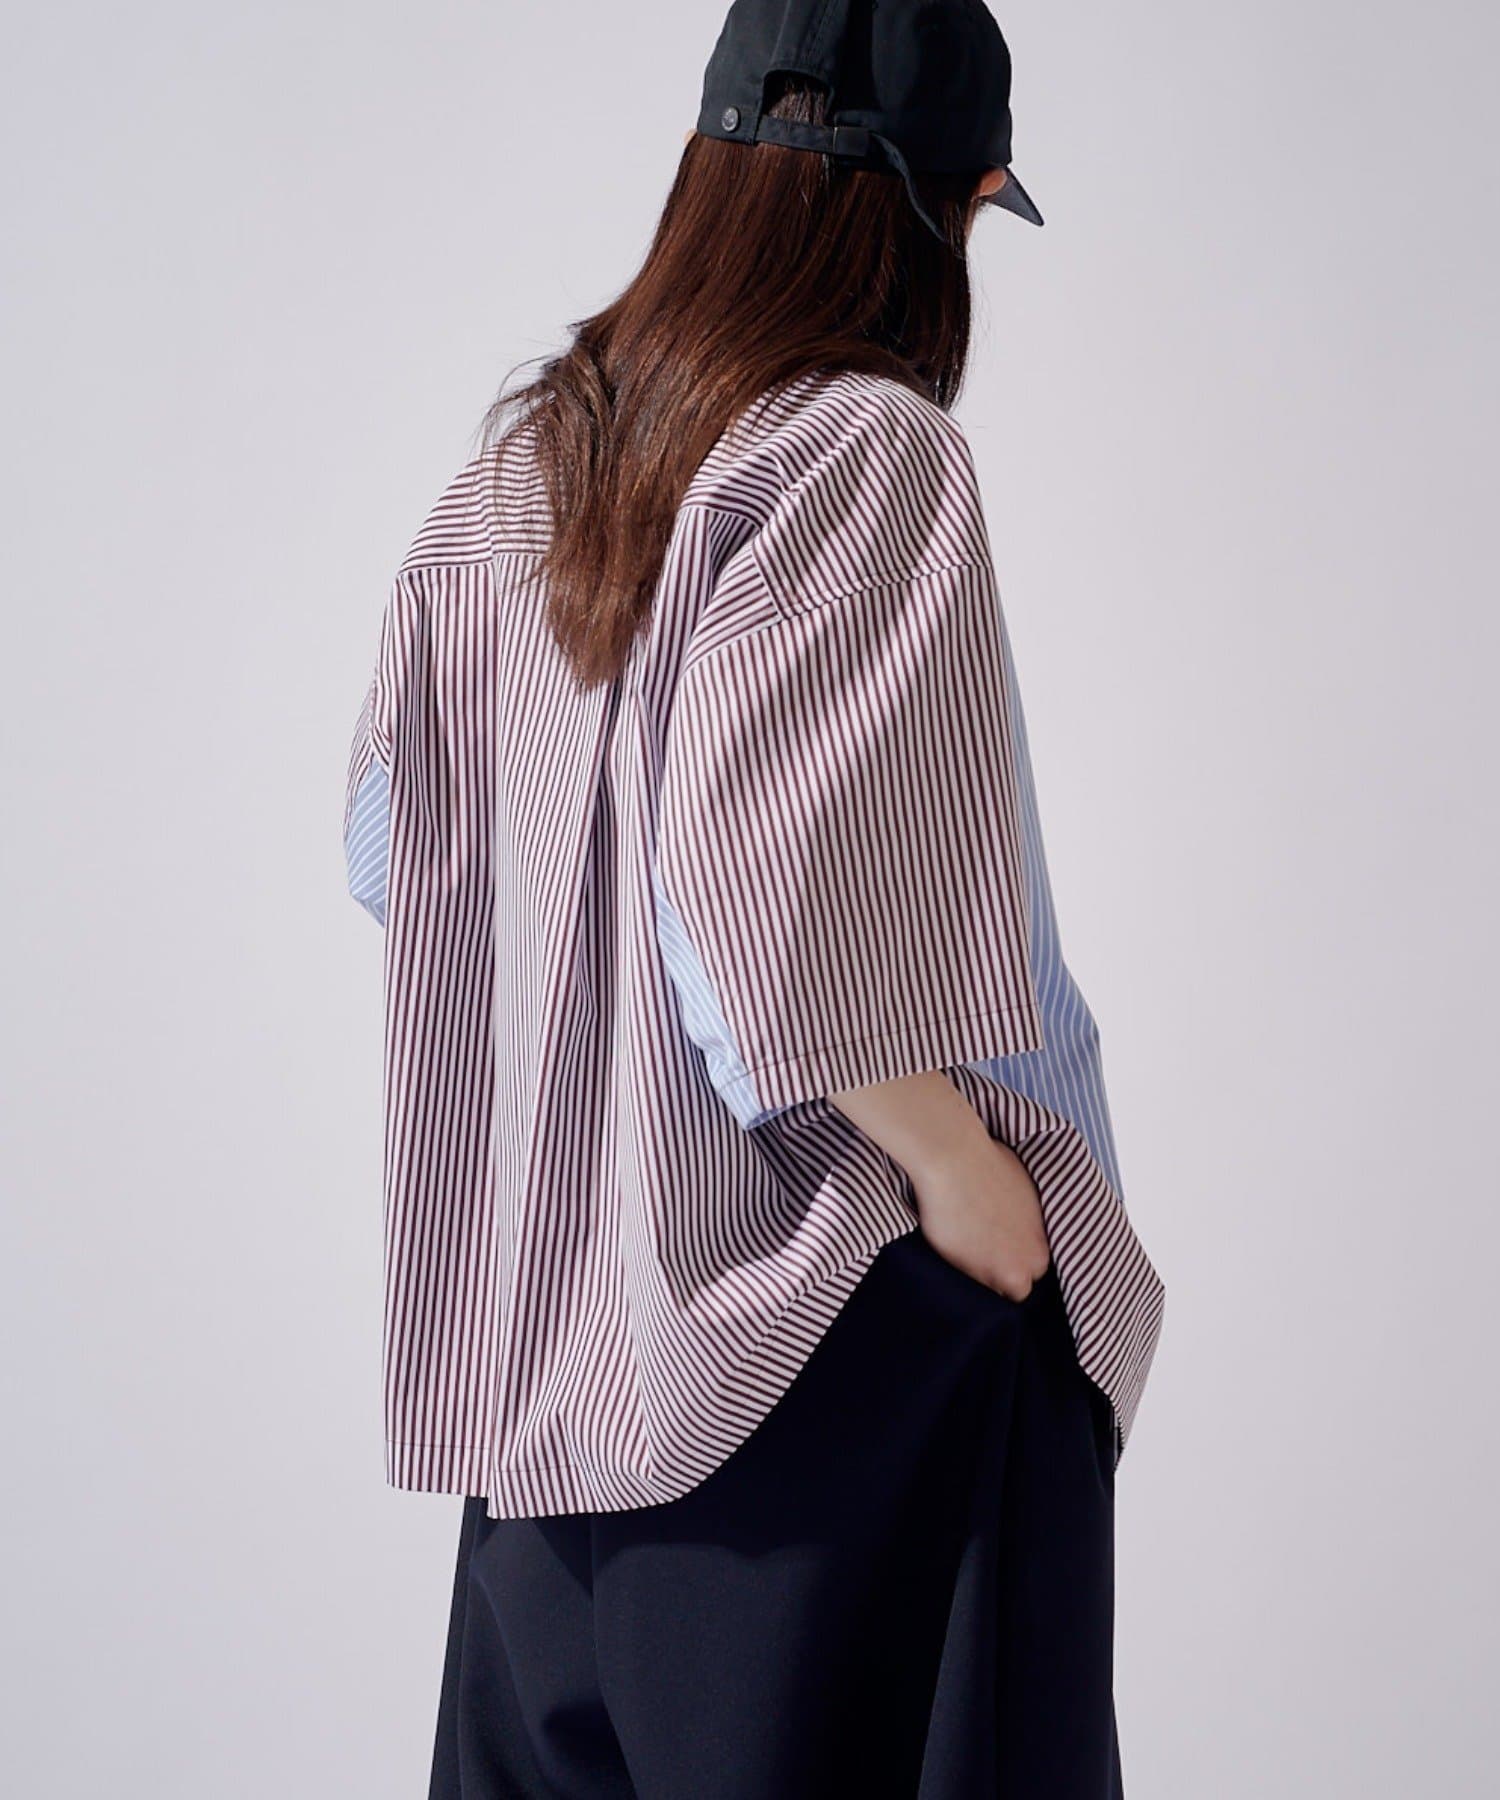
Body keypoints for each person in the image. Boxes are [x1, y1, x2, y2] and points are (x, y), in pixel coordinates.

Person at [341, 2, 1164, 1793]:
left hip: (555, 1420)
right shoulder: (863, 445)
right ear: (938, 203)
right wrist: (964, 1178)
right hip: (835, 1352)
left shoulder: (523, 473)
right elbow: (763, 917)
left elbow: (394, 854)